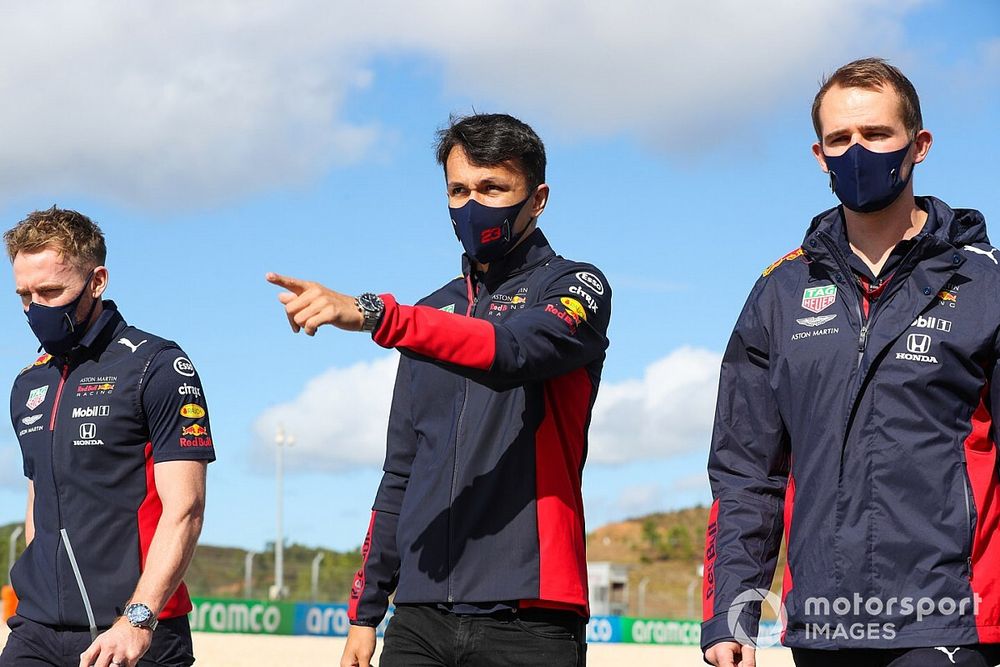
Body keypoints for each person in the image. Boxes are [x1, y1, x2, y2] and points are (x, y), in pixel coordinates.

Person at [267, 113, 611, 667]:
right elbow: (402, 470)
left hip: (531, 616)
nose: (472, 205)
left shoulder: (576, 286)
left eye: (493, 188)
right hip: (419, 619)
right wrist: (365, 611)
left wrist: (378, 315)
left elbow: (514, 350)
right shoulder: (429, 311)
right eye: (458, 190)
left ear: (538, 198)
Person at [702, 58, 1000, 667]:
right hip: (823, 625)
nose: (857, 152)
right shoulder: (779, 292)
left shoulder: (986, 284)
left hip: (950, 621)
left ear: (919, 145)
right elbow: (746, 474)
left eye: (876, 135)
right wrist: (732, 613)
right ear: (818, 155)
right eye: (840, 139)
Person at [1, 208, 215, 667]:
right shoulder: (27, 384)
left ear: (97, 281)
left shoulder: (157, 366)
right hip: (36, 632)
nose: (36, 308)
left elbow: (186, 509)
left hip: (135, 633)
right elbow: (39, 500)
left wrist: (139, 620)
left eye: (51, 291)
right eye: (24, 295)